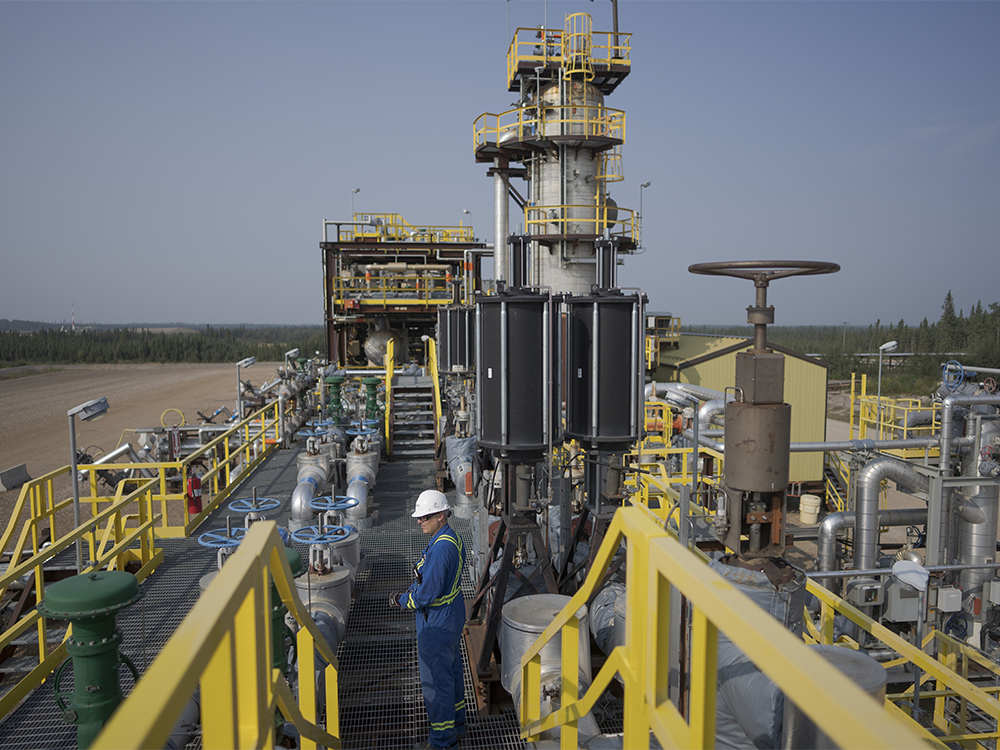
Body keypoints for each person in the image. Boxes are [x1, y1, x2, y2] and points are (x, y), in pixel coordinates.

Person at [390, 489, 468, 750]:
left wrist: (402, 600)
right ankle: (458, 724)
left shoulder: (440, 550)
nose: (419, 521)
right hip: (452, 613)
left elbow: (426, 594)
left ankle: (443, 741)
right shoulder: (452, 539)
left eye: (425, 517)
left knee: (437, 682)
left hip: (436, 622)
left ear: (441, 516)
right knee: (452, 670)